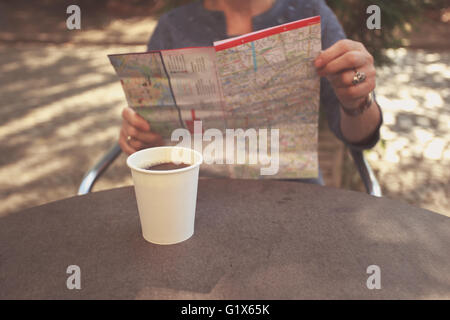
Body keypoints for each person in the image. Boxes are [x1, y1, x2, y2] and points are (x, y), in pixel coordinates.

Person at [118, 0, 383, 184]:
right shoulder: (172, 27)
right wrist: (141, 138)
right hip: (196, 200)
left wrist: (357, 100)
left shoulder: (311, 13)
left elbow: (360, 136)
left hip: (294, 199)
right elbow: (147, 135)